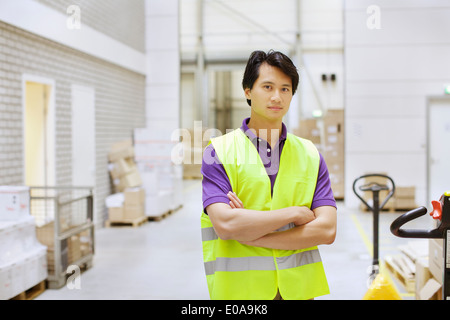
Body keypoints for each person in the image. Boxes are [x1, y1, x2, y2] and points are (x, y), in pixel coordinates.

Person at [200, 49, 337, 300]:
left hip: (298, 291)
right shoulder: (219, 152)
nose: (277, 97)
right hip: (242, 294)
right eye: (267, 86)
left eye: (285, 89)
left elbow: (327, 230)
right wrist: (294, 213)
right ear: (248, 92)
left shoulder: (310, 154)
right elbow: (226, 225)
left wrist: (253, 234)